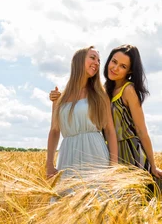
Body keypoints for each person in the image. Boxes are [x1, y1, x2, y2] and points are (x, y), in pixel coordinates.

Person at [50, 44, 162, 193]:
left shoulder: (126, 90)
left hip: (130, 152)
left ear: (129, 71)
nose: (115, 68)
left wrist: (153, 165)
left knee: (134, 200)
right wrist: (58, 98)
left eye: (122, 66)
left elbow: (141, 131)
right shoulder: (104, 90)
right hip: (103, 150)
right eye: (113, 61)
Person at [46, 46, 118, 180]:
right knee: (67, 198)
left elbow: (109, 130)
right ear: (79, 61)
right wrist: (49, 164)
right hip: (68, 156)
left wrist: (113, 166)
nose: (97, 63)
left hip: (95, 154)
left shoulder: (100, 94)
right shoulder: (59, 98)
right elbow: (55, 131)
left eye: (99, 61)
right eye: (92, 58)